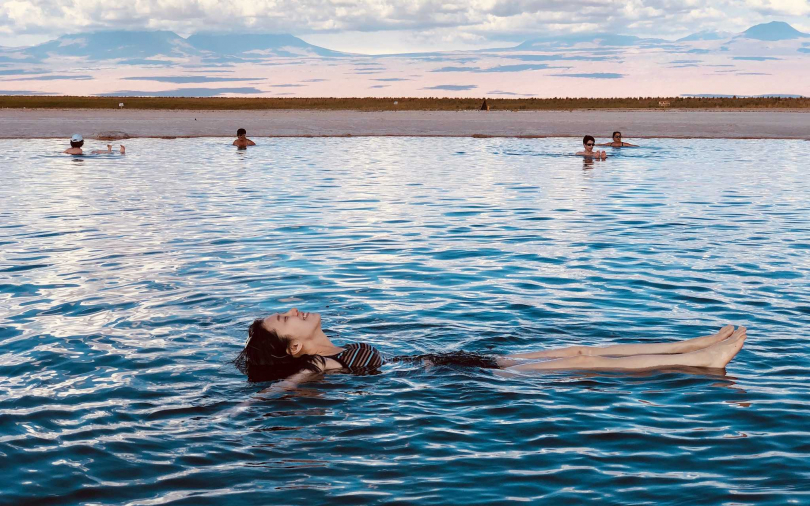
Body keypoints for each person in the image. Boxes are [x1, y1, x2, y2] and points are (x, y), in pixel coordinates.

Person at [235, 308, 747, 390]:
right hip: (461, 378)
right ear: (295, 346)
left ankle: (694, 344)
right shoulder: (319, 365)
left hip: (449, 362)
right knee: (585, 361)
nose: (294, 309)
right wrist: (246, 406)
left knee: (578, 349)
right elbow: (286, 386)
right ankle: (700, 362)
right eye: (285, 319)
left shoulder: (336, 348)